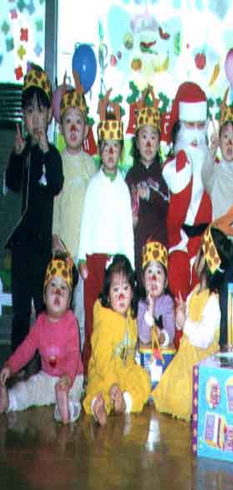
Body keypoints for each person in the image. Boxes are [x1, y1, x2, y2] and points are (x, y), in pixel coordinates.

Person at [152, 207, 233, 421]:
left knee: (182, 399)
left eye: (199, 253)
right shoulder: (196, 291)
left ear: (206, 262)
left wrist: (186, 323)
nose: (195, 258)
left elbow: (204, 338)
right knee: (166, 392)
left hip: (201, 363)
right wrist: (181, 315)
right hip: (185, 358)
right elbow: (184, 325)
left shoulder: (213, 300)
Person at [4, 65, 63, 370]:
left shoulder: (51, 153)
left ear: (50, 115)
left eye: (41, 111)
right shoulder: (22, 151)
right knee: (19, 314)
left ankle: (43, 369)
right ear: (24, 118)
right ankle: (14, 368)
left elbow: (56, 184)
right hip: (21, 249)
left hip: (41, 250)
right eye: (29, 112)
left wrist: (45, 150)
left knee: (42, 310)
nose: (35, 118)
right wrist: (16, 155)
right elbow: (12, 185)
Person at [78, 90, 134, 373]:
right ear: (99, 150)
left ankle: (115, 369)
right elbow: (86, 222)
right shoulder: (93, 185)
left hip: (117, 264)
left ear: (120, 151)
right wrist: (81, 257)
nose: (110, 152)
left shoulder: (123, 188)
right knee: (93, 316)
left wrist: (130, 266)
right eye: (106, 147)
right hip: (95, 259)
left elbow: (127, 231)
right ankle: (90, 370)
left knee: (115, 316)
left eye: (115, 147)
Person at [0, 256, 83, 424]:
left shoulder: (71, 322)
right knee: (29, 388)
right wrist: (11, 365)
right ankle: (9, 400)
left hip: (71, 377)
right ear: (44, 296)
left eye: (63, 288)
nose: (58, 291)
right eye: (53, 286)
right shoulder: (40, 322)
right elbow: (26, 348)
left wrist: (67, 378)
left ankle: (65, 409)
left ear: (69, 301)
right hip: (47, 377)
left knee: (73, 398)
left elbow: (74, 355)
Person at [162, 81, 213, 348]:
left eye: (199, 126)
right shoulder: (174, 166)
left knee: (205, 299)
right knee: (179, 292)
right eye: (189, 126)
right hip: (180, 245)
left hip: (204, 244)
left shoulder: (208, 163)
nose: (194, 134)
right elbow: (174, 217)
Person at [52, 71, 97, 350]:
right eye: (67, 121)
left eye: (78, 122)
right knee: (61, 309)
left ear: (86, 129)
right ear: (60, 128)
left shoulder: (90, 165)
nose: (73, 127)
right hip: (63, 249)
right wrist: (55, 237)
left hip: (84, 252)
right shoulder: (57, 162)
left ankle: (79, 364)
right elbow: (55, 203)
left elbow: (96, 205)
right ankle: (59, 361)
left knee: (81, 311)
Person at [83, 254, 151, 426]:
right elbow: (102, 358)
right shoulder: (105, 322)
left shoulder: (131, 316)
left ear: (132, 292)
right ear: (107, 295)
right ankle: (98, 405)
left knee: (143, 378)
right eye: (115, 290)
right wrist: (112, 383)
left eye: (125, 288)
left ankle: (124, 402)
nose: (121, 295)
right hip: (105, 370)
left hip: (125, 369)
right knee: (97, 386)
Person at [202, 88, 233, 345]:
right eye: (225, 137)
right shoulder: (215, 172)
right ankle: (208, 345)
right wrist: (212, 149)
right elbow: (205, 174)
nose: (229, 143)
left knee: (228, 301)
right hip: (213, 245)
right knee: (211, 298)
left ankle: (225, 345)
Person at [125, 86, 168, 284]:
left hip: (159, 248)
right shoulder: (131, 175)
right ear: (136, 143)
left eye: (153, 137)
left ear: (158, 143)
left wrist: (150, 195)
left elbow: (168, 206)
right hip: (136, 245)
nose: (148, 143)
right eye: (144, 137)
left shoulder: (164, 174)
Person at [137, 241, 175, 347]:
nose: (153, 278)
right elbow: (144, 338)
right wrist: (150, 308)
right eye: (149, 271)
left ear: (166, 282)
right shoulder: (141, 304)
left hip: (164, 353)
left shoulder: (167, 302)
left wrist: (162, 337)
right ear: (143, 280)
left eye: (158, 272)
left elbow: (171, 333)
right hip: (145, 353)